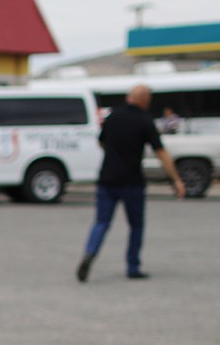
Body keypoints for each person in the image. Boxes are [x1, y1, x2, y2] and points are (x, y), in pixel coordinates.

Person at [78, 83, 185, 282]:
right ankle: (132, 266)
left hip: (107, 179)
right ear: (144, 99)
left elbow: (101, 142)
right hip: (132, 181)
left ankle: (90, 253)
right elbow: (160, 152)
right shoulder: (144, 121)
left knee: (101, 222)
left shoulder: (112, 117)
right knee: (136, 225)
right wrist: (176, 179)